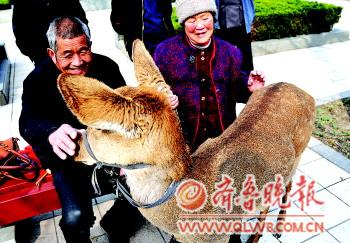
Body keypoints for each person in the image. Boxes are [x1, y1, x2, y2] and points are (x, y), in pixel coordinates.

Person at [18, 16, 145, 243]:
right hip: (69, 161)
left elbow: (126, 110)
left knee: (145, 189)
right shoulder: (36, 81)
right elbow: (27, 121)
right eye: (67, 54)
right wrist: (51, 131)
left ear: (90, 46)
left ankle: (115, 225)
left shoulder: (106, 66)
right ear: (51, 54)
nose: (77, 62)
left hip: (109, 152)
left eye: (83, 51)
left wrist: (130, 157)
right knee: (75, 218)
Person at [153, 0, 265, 154]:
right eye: (191, 20)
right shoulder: (165, 52)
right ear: (183, 23)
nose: (200, 26)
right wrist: (163, 99)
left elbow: (237, 91)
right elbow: (153, 91)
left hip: (224, 142)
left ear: (213, 18)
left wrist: (249, 86)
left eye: (205, 18)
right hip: (184, 146)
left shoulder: (230, 52)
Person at [12, 0, 88, 65]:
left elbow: (82, 22)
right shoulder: (22, 3)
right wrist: (35, 56)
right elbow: (20, 33)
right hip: (42, 56)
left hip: (73, 50)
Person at [110, 0, 175, 58]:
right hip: (141, 44)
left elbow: (168, 12)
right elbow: (116, 20)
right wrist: (130, 34)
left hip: (165, 39)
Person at [215, 0, 255, 72]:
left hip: (242, 23)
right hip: (222, 25)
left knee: (246, 57)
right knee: (224, 57)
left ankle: (248, 79)